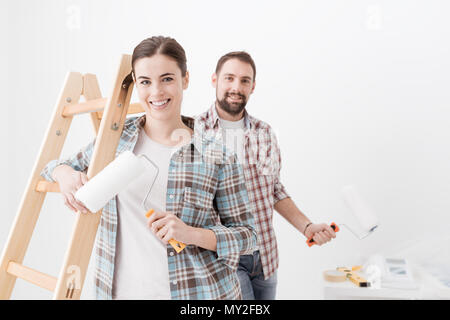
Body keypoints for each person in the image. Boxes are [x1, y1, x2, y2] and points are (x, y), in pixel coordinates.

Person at [40, 37, 257, 300]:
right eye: (145, 82)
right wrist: (64, 175)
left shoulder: (217, 155)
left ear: (185, 79)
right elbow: (54, 166)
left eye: (167, 79)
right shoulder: (115, 139)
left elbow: (248, 237)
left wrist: (190, 234)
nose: (156, 92)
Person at [195, 51, 336, 300]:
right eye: (229, 78)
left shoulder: (264, 132)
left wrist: (307, 227)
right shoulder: (194, 132)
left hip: (265, 258)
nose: (236, 87)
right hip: (225, 260)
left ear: (253, 86)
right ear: (214, 80)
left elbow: (274, 190)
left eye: (244, 80)